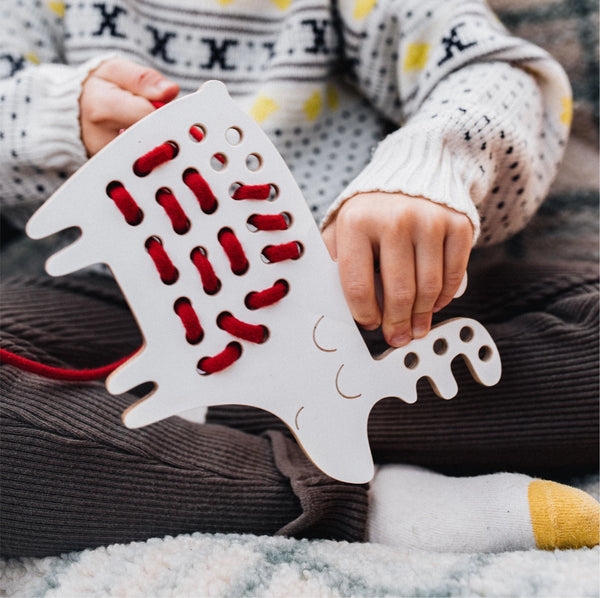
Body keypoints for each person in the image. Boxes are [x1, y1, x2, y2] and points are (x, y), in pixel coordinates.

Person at [1, 0, 598, 557]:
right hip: (123, 317)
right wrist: (50, 116)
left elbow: (491, 67)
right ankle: (356, 501)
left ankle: (209, 439)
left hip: (362, 301)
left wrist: (428, 167)